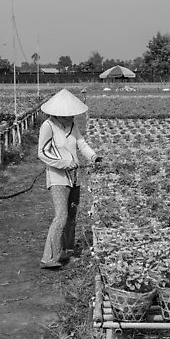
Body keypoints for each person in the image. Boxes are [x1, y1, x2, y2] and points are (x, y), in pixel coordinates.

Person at [37, 89, 102, 269]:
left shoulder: (72, 126)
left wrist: (93, 157)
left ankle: (67, 251)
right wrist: (64, 163)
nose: (71, 117)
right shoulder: (48, 126)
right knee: (61, 216)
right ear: (58, 114)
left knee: (72, 216)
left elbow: (81, 144)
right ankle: (49, 257)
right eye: (68, 115)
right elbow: (42, 153)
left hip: (74, 177)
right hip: (58, 177)